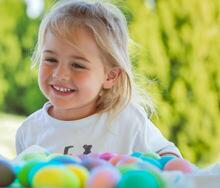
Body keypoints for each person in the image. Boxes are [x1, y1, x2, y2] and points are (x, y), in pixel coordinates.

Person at [15, 0, 182, 158]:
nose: (60, 74)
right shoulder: (30, 131)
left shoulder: (126, 120)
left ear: (110, 76)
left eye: (77, 65)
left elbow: (168, 155)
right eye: (51, 59)